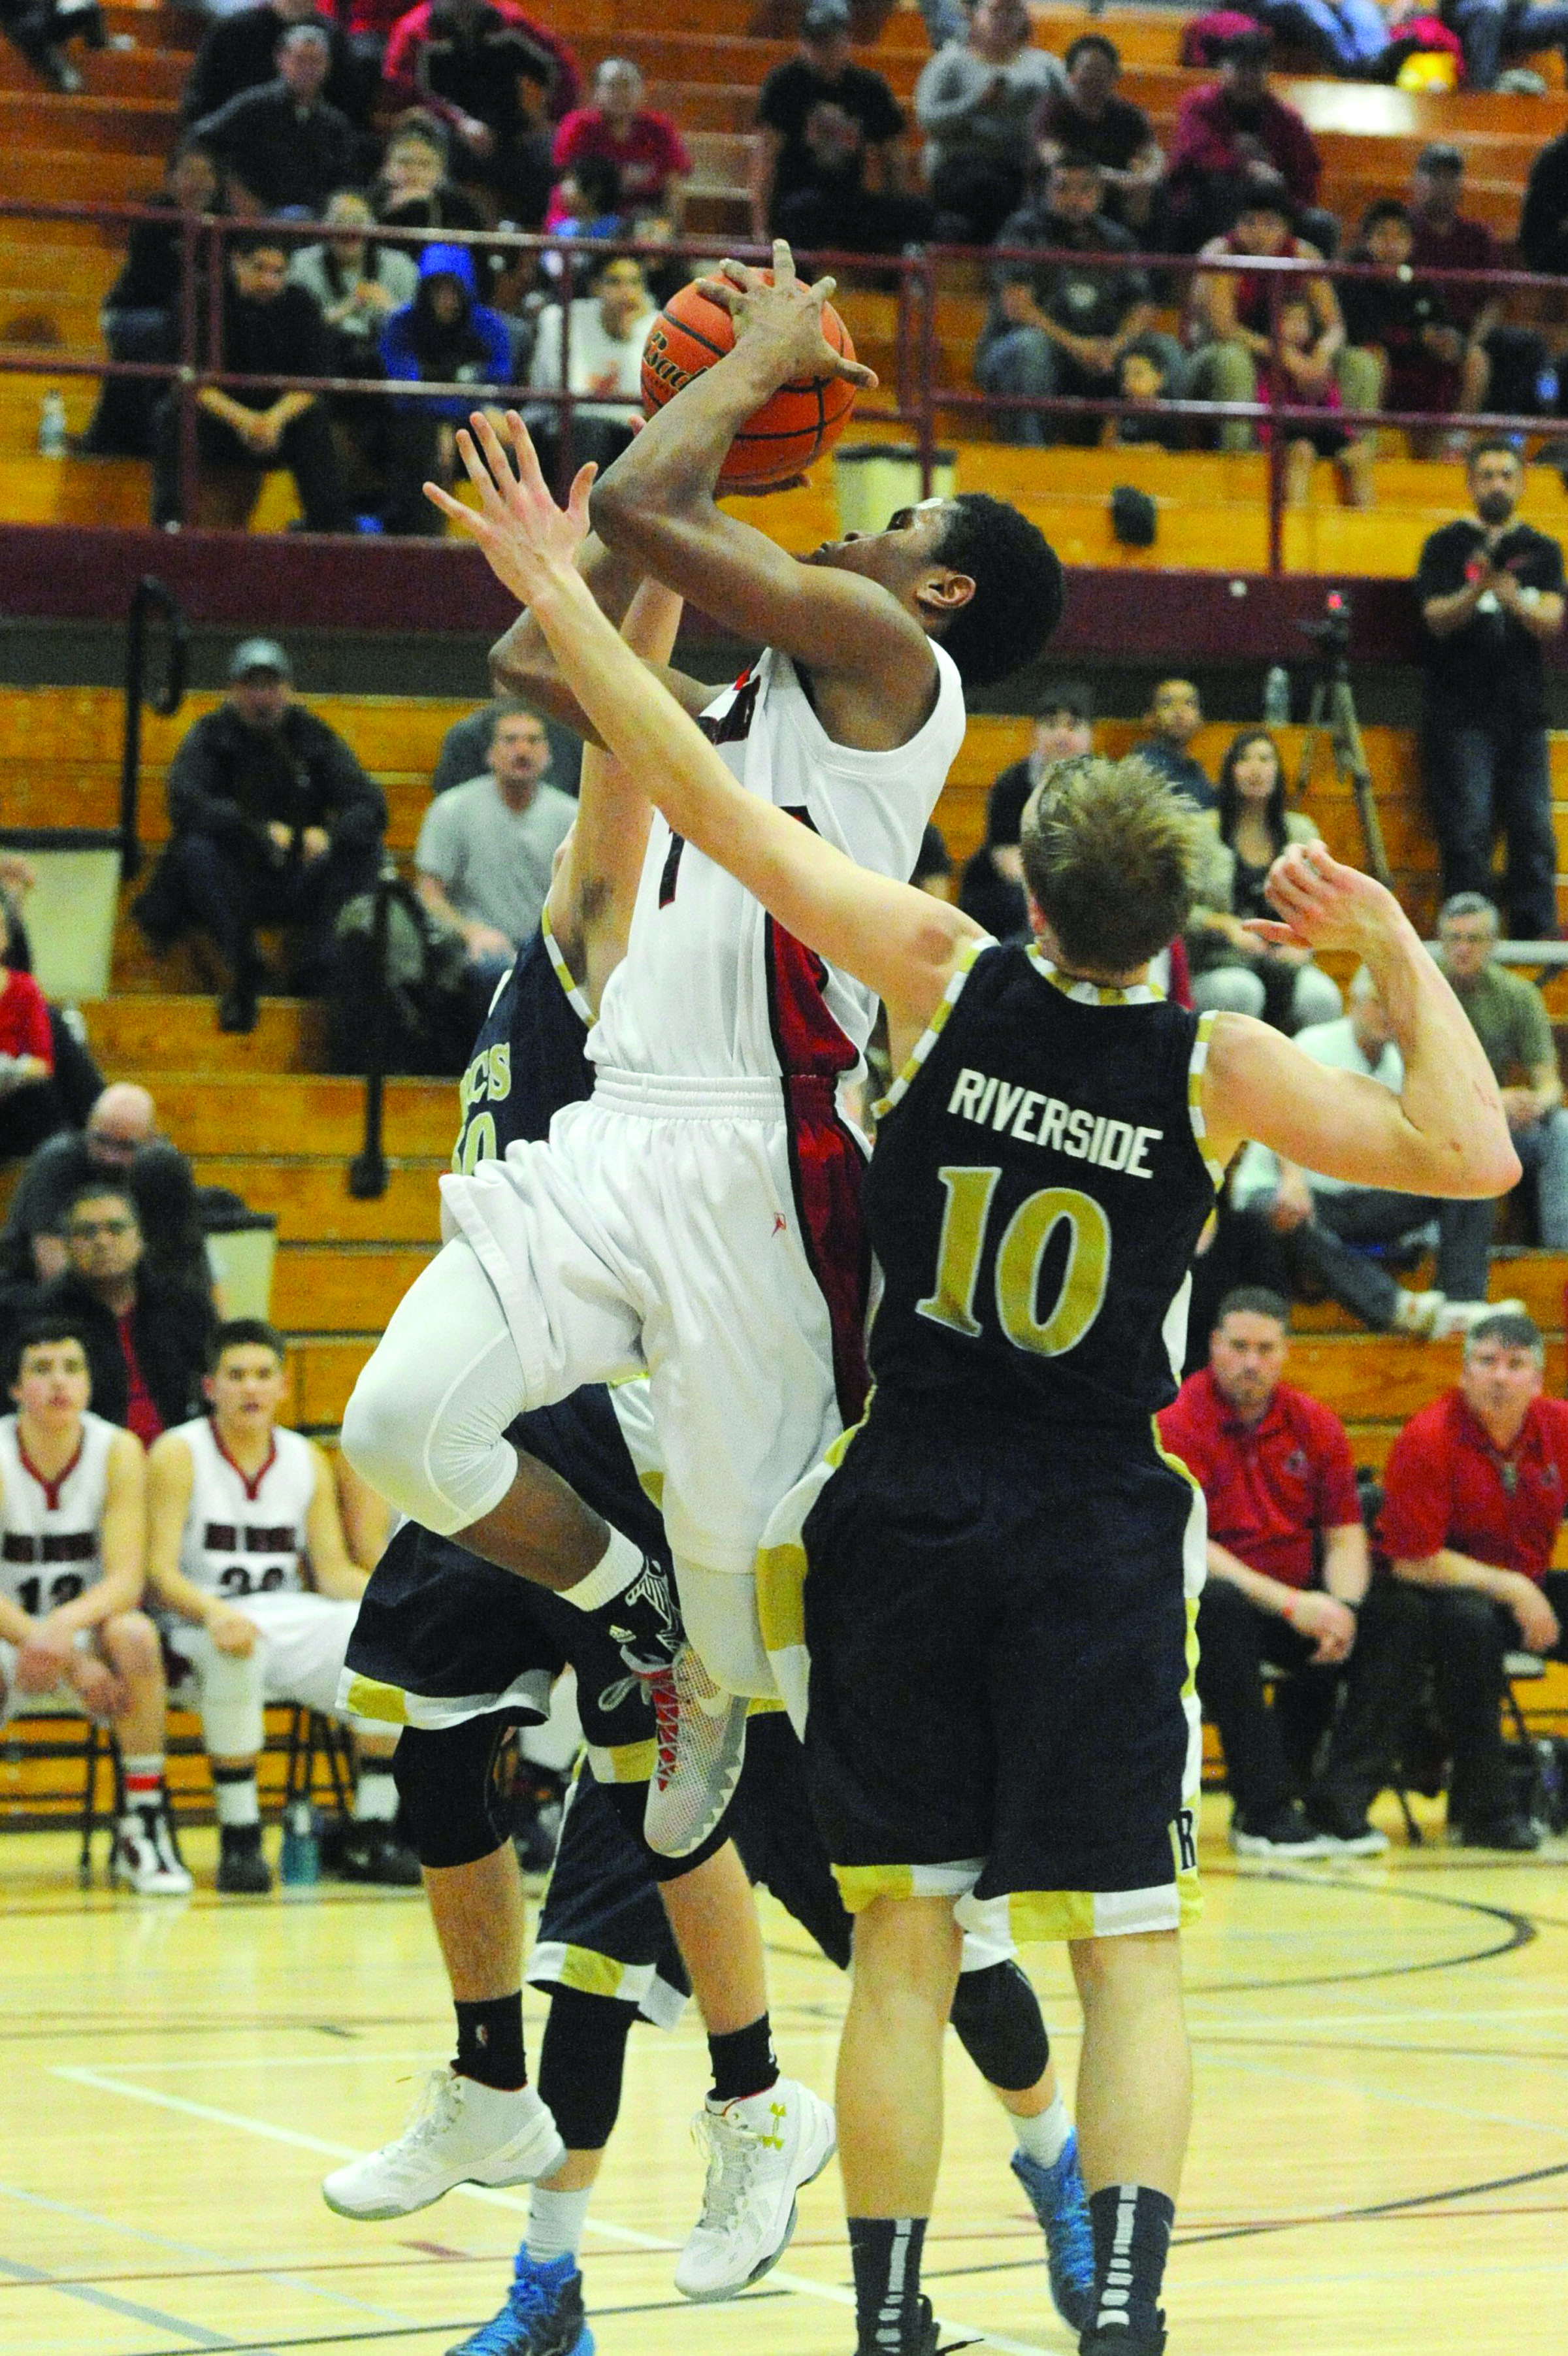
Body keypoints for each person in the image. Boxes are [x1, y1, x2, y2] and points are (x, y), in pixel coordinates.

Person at [427, 416, 1514, 2356]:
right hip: (1094, 1521)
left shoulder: (938, 967)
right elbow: (1469, 1159)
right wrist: (1380, 950)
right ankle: (1123, 2312)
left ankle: (889, 2313)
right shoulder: (1212, 1067)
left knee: (903, 1959)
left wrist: (546, 578)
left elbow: (691, 781)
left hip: (903, 1508)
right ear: (1173, 926)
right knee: (1127, 1955)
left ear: (1029, 878)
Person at [329, 643, 1092, 2337]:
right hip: (575, 1424)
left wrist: (652, 519)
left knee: (867, 1906)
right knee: (483, 1779)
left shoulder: (733, 996)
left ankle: (1022, 2158)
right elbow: (582, 685)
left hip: (725, 1445)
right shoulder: (569, 968)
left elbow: (619, 715)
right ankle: (545, 2234)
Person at [340, 246, 1064, 1824]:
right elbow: (541, 661)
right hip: (610, 1125)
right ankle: (632, 1615)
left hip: (765, 1155)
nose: (849, 526)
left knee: (773, 1638)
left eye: (888, 530)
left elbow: (652, 512)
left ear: (935, 593)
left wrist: (733, 382)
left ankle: (941, 1887)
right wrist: (595, 537)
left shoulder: (901, 674)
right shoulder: (744, 703)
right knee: (399, 1423)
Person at [146, 1319, 415, 1893]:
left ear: (283, 1387)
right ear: (210, 1386)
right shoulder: (178, 1453)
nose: (251, 1388)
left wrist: (398, 1606)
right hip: (199, 1619)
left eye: (263, 1375)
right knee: (237, 1648)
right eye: (236, 1376)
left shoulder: (304, 1459)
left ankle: (371, 1828)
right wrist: (212, 1613)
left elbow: (333, 1571)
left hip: (287, 1613)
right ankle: (240, 1837)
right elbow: (159, 1573)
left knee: (384, 1637)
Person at [1161, 1288, 1429, 1859]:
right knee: (1220, 1608)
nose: (1251, 1361)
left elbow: (1344, 1534)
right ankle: (1263, 1812)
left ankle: (1341, 1803)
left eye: (1265, 1348)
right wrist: (1293, 1605)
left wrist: (1344, 1611)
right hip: (1216, 1600)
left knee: (1400, 1614)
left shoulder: (1315, 1424)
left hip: (1299, 1598)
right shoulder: (1179, 1420)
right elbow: (1191, 1542)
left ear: (1285, 1353)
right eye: (1238, 1347)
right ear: (1213, 1346)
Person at [0, 1318, 189, 1893]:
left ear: (89, 1382)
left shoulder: (118, 1449)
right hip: (12, 1635)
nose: (59, 1382)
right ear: (14, 1387)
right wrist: (47, 1643)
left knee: (135, 1633)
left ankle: (143, 1823)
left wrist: (64, 1632)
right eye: (41, 1369)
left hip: (82, 1632)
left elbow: (127, 1578)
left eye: (72, 1368)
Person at [1226, 964, 1507, 1335]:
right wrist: (1293, 1180)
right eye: (1378, 1002)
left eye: (1395, 1005)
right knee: (1287, 1214)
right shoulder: (1315, 1044)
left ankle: (1461, 1304)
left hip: (1355, 1200)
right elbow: (1276, 1115)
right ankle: (1394, 1307)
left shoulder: (1401, 1065)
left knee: (1470, 1180)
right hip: (1281, 1189)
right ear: (1354, 1003)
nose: (1387, 1013)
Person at [1380, 1309, 1568, 1849]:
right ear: (1464, 1373)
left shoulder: (1557, 1427)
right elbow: (1414, 1560)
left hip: (1523, 1587)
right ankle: (1486, 1811)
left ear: (1537, 1380)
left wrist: (1525, 1589)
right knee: (1472, 1625)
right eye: (1486, 1362)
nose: (1500, 1376)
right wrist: (1515, 1588)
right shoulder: (1429, 1437)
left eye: (1515, 1365)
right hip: (1438, 1595)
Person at [148, 638, 386, 1033]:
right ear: (233, 690)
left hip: (301, 876)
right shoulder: (210, 736)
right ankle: (244, 963)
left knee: (365, 853)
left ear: (288, 690)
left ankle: (318, 963)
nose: (262, 697)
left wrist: (327, 836)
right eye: (252, 686)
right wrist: (256, 832)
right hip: (234, 879)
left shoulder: (311, 735)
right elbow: (185, 804)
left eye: (271, 686)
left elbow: (369, 806)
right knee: (194, 852)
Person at [1415, 440, 1565, 941]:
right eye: (1487, 475)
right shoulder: (1445, 545)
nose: (1497, 484)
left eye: (1506, 474)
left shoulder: (1543, 550)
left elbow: (1550, 619)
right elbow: (1435, 618)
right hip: (1459, 714)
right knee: (1468, 828)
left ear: (1521, 483)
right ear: (1471, 484)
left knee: (1534, 830)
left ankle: (1533, 934)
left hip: (1523, 714)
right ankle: (1467, 932)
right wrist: (1477, 589)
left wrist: (1511, 597)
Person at [150, 234, 353, 541]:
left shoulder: (301, 303)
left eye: (278, 272)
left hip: (279, 423)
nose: (269, 281)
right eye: (259, 269)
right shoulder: (202, 300)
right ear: (236, 262)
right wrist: (246, 421)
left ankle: (331, 536)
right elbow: (187, 381)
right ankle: (170, 528)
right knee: (173, 415)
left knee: (316, 421)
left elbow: (314, 380)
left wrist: (272, 421)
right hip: (219, 420)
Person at [975, 154, 1159, 447]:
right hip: (1025, 351)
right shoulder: (1022, 231)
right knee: (1030, 347)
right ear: (1046, 190)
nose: (1074, 198)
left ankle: (1165, 464)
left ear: (1099, 194)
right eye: (1063, 188)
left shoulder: (1117, 239)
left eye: (1085, 189)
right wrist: (1076, 346)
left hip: (1100, 353)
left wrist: (1116, 345)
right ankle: (1029, 457)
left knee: (1164, 351)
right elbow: (1017, 307)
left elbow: (1143, 306)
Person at [1186, 178, 1377, 455]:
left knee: (1361, 364)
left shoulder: (1304, 255)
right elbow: (1224, 328)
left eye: (1269, 224)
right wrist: (1286, 356)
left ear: (1286, 227)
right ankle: (1240, 460)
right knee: (1233, 360)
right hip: (1216, 363)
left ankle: (1353, 455)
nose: (1258, 233)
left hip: (1289, 368)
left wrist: (1320, 355)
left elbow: (1334, 326)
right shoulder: (1221, 254)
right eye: (1249, 223)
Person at [414, 702, 577, 1010]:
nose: (522, 750)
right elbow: (429, 894)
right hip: (479, 952)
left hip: (550, 950)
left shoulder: (573, 816)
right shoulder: (452, 809)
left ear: (549, 754)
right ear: (490, 754)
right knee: (496, 976)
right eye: (510, 740)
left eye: (533, 740)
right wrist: (470, 932)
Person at [1433, 893, 1568, 1253]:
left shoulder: (1518, 995)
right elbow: (1419, 1087)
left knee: (1562, 1128)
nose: (1462, 949)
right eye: (1453, 939)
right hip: (1440, 1120)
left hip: (1498, 1124)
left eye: (1473, 939)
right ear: (1442, 942)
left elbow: (1550, 1083)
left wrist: (1535, 1103)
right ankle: (1428, 1248)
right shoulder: (1425, 994)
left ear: (1493, 944)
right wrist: (1495, 1102)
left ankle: (1559, 1255)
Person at [31, 1184, 215, 1445]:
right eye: (87, 1232)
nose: (102, 1242)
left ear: (139, 1239)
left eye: (116, 1229)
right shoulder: (43, 1315)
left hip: (182, 1458)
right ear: (68, 1246)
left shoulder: (184, 1304)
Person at [1184, 728, 1342, 1031]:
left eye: (1265, 759)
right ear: (1230, 770)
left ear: (1278, 771)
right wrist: (1224, 925)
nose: (1255, 768)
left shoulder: (1301, 831)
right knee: (1244, 991)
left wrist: (1304, 946)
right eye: (1244, 759)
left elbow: (1322, 903)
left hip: (1284, 962)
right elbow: (1178, 910)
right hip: (1219, 961)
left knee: (1322, 998)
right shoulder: (1200, 830)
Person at [81, 140, 224, 461]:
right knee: (158, 336)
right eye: (190, 173)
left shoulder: (222, 222)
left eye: (208, 174)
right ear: (171, 179)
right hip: (136, 312)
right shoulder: (154, 219)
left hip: (191, 319)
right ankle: (121, 443)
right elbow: (153, 285)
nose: (199, 183)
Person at [751, 0, 930, 255]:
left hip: (848, 199)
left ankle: (898, 283)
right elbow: (765, 160)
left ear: (846, 40)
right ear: (803, 43)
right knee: (806, 212)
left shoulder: (869, 87)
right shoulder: (784, 84)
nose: (823, 50)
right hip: (797, 200)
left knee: (918, 213)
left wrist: (894, 205)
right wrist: (761, 230)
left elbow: (894, 156)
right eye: (816, 41)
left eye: (831, 41)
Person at [382, 0, 577, 230]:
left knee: (549, 150)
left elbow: (559, 66)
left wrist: (550, 118)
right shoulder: (416, 30)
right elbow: (403, 90)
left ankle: (529, 240)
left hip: (509, 132)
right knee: (430, 141)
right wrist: (459, 122)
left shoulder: (509, 21)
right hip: (447, 132)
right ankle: (446, 230)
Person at [0, 1083, 203, 1295]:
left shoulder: (164, 1170)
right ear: (87, 1128)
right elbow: (53, 1272)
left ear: (153, 1141)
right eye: (101, 1141)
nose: (110, 1157)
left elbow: (190, 1259)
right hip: (34, 1299)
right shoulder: (58, 1161)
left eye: (126, 1147)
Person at [380, 242, 514, 537]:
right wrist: (444, 424)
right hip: (417, 423)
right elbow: (403, 393)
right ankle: (424, 544)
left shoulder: (489, 326)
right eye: (437, 289)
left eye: (453, 289)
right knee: (422, 442)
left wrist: (456, 420)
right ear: (424, 291)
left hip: (474, 418)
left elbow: (499, 382)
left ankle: (511, 540)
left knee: (509, 436)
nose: (446, 299)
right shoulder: (402, 326)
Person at [914, 0, 1066, 246]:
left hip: (1027, 165)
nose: (1004, 19)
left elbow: (1068, 114)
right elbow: (929, 121)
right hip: (962, 166)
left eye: (1013, 12)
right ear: (977, 16)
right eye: (996, 11)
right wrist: (977, 103)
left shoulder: (1046, 66)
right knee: (988, 189)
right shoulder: (950, 62)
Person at [1163, 32, 1328, 255]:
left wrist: (1281, 195)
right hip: (1207, 199)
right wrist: (1247, 170)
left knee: (1320, 224)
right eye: (1241, 68)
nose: (1249, 77)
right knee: (1215, 191)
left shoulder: (1286, 118)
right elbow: (1197, 154)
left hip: (1274, 207)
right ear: (1224, 69)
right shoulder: (1199, 106)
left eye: (1257, 69)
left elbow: (1305, 171)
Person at [1338, 200, 1477, 459]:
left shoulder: (1423, 281)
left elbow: (1446, 324)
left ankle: (1454, 441)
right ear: (1367, 241)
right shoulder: (1352, 277)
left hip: (1419, 363)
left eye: (1400, 236)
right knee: (1373, 357)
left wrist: (1448, 341)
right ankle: (1366, 442)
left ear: (1411, 243)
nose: (1391, 244)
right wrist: (1417, 339)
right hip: (1377, 365)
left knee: (1476, 359)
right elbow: (1359, 334)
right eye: (1382, 235)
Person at [960, 683, 1093, 940]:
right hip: (1008, 889)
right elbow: (1008, 859)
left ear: (1090, 736)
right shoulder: (1012, 783)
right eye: (1052, 725)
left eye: (1073, 726)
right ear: (1035, 733)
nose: (1061, 736)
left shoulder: (1105, 785)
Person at [189, 25, 360, 216]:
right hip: (250, 221)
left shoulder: (335, 124)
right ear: (281, 59)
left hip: (311, 226)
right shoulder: (253, 106)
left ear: (327, 65)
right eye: (299, 60)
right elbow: (201, 139)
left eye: (315, 61)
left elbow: (344, 180)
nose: (307, 69)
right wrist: (233, 189)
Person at [525, 252, 659, 482]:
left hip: (626, 433)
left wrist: (628, 338)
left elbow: (650, 402)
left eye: (635, 282)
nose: (626, 291)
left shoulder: (655, 325)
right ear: (596, 287)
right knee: (590, 431)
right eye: (615, 282)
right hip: (559, 429)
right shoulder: (561, 319)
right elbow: (573, 395)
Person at [549, 57, 689, 232]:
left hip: (643, 225)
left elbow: (674, 188)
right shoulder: (577, 126)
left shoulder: (659, 129)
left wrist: (670, 231)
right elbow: (569, 188)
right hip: (583, 221)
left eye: (628, 86)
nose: (621, 94)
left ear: (642, 91)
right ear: (596, 92)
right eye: (612, 86)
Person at [1270, 291, 1376, 511]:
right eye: (1289, 320)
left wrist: (1317, 384)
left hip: (1324, 431)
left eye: (1303, 321)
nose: (1297, 328)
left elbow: (1335, 413)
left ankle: (1368, 528)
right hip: (1289, 435)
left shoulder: (1320, 363)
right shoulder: (1270, 364)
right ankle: (1295, 525)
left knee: (1359, 455)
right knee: (1303, 451)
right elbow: (1267, 413)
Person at [181, 0, 360, 129]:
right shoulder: (231, 32)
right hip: (238, 157)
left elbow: (349, 115)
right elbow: (201, 106)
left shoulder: (335, 40)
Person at [0, 902, 61, 1163]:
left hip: (8, 1094)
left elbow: (42, 1063)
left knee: (42, 1098)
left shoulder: (24, 988)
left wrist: (11, 1071)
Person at [1137, 679, 1215, 810]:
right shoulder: (1142, 768)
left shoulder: (1194, 769)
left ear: (1201, 721)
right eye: (1167, 703)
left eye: (1189, 703)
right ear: (1149, 718)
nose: (1179, 712)